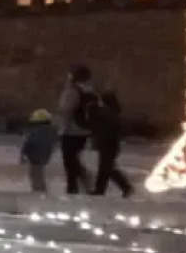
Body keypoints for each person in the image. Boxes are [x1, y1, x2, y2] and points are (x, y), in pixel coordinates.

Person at [57, 65, 98, 194]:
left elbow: (66, 110)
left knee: (69, 161)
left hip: (71, 131)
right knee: (74, 159)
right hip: (84, 131)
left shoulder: (71, 91)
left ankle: (73, 187)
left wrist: (63, 129)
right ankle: (82, 183)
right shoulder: (91, 92)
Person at [90, 90, 131, 197]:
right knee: (104, 167)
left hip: (107, 143)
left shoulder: (107, 113)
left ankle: (125, 186)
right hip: (110, 144)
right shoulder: (113, 113)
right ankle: (100, 189)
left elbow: (101, 128)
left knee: (107, 167)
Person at [20, 109, 57, 193]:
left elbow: (29, 142)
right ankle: (40, 190)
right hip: (44, 155)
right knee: (38, 173)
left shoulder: (35, 131)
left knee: (35, 174)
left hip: (34, 155)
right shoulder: (51, 131)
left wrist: (23, 154)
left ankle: (38, 190)